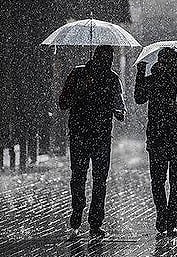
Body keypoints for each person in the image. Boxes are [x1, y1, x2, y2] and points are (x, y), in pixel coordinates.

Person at [134, 48, 177, 237]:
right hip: (157, 137)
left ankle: (172, 220)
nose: (166, 65)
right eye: (163, 62)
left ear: (175, 63)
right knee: (157, 181)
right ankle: (162, 214)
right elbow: (139, 98)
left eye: (169, 62)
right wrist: (140, 74)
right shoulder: (153, 80)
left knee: (176, 182)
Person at [58, 45, 125, 239]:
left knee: (99, 180)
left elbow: (119, 105)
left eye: (109, 59)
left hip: (101, 136)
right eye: (104, 58)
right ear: (95, 57)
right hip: (80, 134)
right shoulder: (78, 74)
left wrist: (118, 111)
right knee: (79, 177)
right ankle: (77, 213)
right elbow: (63, 103)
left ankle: (95, 222)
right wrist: (80, 90)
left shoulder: (112, 79)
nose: (107, 63)